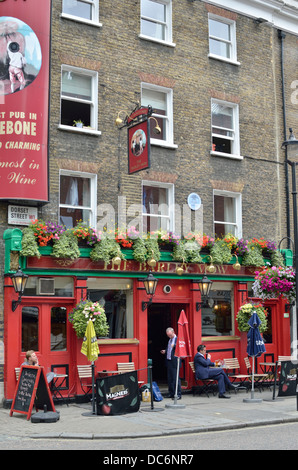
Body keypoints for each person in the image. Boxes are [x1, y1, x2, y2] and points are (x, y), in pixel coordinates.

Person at [160, 327, 181, 400]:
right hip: (169, 361)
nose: (170, 336)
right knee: (170, 379)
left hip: (175, 362)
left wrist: (174, 346)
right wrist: (165, 351)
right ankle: (171, 393)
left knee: (175, 378)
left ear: (173, 332)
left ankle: (178, 394)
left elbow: (180, 348)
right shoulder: (170, 340)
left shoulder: (177, 339)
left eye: (170, 335)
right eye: (168, 335)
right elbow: (169, 349)